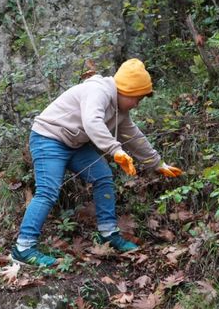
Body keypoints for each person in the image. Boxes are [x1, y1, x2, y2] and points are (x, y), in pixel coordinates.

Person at [10, 58, 183, 267]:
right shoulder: (98, 91)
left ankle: (108, 234)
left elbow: (133, 137)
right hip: (49, 138)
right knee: (48, 191)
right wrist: (115, 150)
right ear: (126, 91)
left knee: (103, 176)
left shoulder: (121, 111)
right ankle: (23, 248)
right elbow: (92, 122)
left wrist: (157, 164)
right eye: (137, 98)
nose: (137, 104)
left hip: (74, 144)